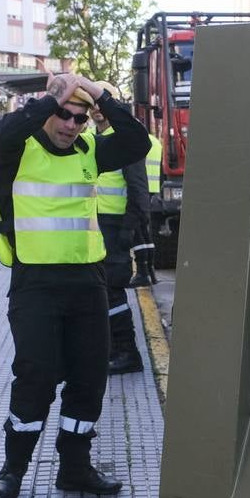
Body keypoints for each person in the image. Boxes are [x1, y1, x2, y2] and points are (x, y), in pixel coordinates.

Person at [0, 72, 150, 498]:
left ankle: (74, 467)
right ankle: (14, 468)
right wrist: (54, 95)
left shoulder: (90, 149)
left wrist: (101, 96)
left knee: (89, 377)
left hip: (86, 280)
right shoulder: (15, 150)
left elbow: (137, 143)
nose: (69, 125)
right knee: (36, 377)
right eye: (62, 115)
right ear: (46, 111)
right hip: (34, 283)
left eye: (79, 118)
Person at [90, 80, 151, 374]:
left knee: (113, 292)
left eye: (103, 103)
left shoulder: (122, 142)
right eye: (93, 105)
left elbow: (139, 191)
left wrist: (128, 230)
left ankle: (127, 352)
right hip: (97, 228)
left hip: (116, 229)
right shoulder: (92, 140)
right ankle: (114, 349)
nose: (97, 110)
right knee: (103, 292)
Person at [129, 132, 163, 287]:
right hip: (150, 189)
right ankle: (150, 272)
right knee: (145, 233)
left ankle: (143, 272)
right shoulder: (155, 141)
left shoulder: (135, 139)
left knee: (138, 233)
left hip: (139, 191)